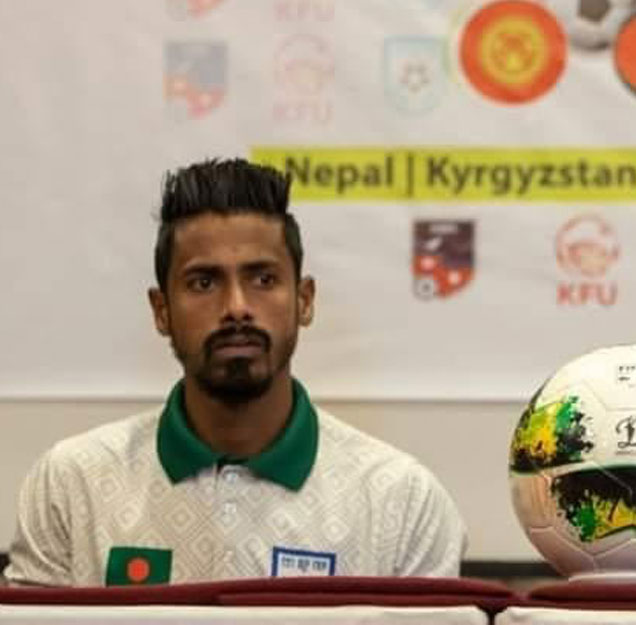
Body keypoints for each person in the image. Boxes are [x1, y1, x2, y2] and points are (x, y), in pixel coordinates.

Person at [3, 158, 467, 586]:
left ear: (304, 300)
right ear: (161, 310)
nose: (237, 307)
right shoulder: (72, 484)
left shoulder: (401, 501)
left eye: (263, 279)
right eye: (204, 282)